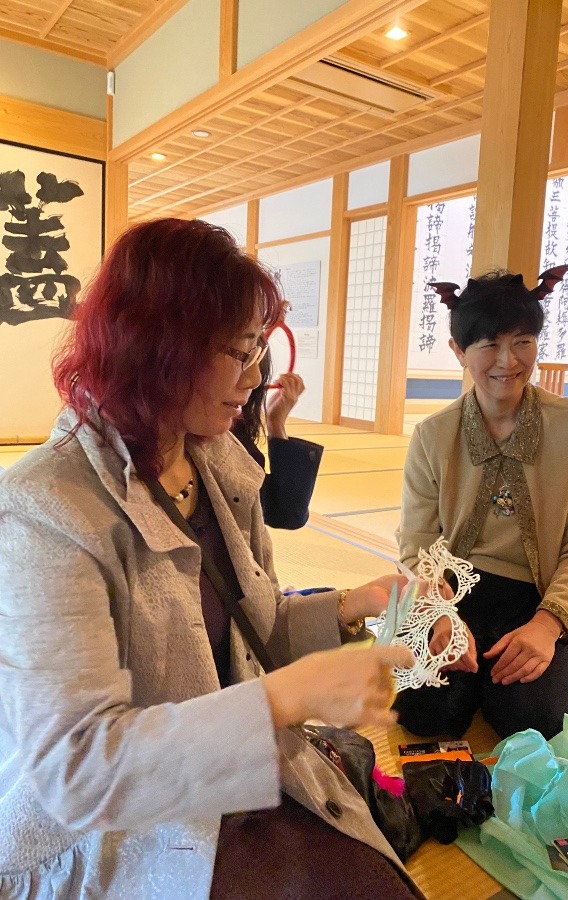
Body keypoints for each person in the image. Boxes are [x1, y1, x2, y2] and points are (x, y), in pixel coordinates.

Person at [0, 218, 426, 899]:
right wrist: (286, 698)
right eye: (238, 352)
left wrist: (352, 606)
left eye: (258, 349)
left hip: (240, 776)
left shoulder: (219, 462)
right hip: (116, 832)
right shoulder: (44, 508)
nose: (256, 379)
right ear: (157, 348)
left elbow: (242, 639)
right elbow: (74, 774)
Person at [394, 270, 568, 741]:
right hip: (453, 589)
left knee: (531, 721)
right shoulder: (433, 435)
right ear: (459, 351)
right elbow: (417, 543)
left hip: (538, 593)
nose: (508, 361)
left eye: (523, 342)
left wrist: (547, 624)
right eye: (489, 345)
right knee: (426, 713)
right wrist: (440, 615)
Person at [231, 347, 324, 530]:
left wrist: (276, 423)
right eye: (242, 358)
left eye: (257, 359)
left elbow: (285, 512)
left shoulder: (236, 431)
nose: (254, 378)